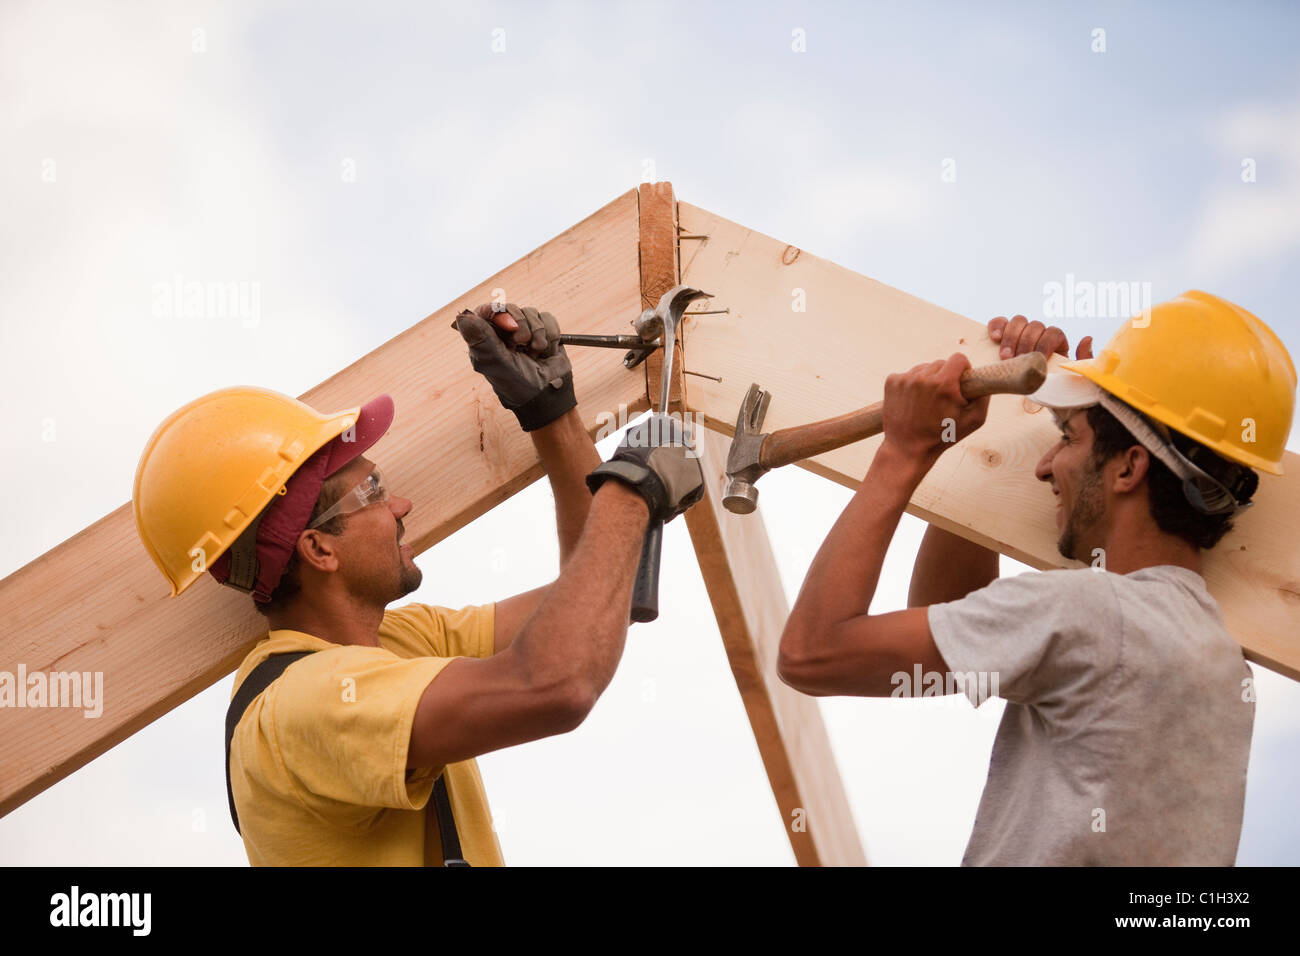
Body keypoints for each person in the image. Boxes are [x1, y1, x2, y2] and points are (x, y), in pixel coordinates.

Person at [132, 303, 703, 865]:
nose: (401, 504)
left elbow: (602, 601)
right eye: (374, 493)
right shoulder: (302, 707)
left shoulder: (397, 642)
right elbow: (557, 685)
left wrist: (552, 415)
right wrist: (630, 488)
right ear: (318, 549)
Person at [777, 291, 1296, 865]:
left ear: (1130, 467)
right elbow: (954, 619)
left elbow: (811, 654)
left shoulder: (1090, 612)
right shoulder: (1221, 665)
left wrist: (903, 451)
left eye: (1069, 438)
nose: (1044, 465)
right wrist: (995, 422)